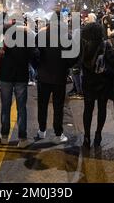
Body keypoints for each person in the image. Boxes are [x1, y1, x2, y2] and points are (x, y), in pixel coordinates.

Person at [36, 12, 77, 144]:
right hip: (59, 76)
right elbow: (73, 56)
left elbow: (34, 53)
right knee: (58, 106)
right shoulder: (67, 36)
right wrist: (66, 66)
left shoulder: (41, 35)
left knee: (42, 105)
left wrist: (38, 67)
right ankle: (58, 134)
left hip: (43, 76)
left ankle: (42, 130)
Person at [0, 23, 38, 148]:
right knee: (21, 108)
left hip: (5, 76)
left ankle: (4, 136)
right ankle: (22, 138)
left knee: (5, 107)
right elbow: (35, 54)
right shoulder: (26, 39)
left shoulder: (3, 39)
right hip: (21, 76)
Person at [80, 16, 114, 148]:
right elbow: (112, 63)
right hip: (103, 82)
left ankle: (86, 137)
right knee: (102, 109)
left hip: (88, 82)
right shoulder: (106, 45)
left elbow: (78, 63)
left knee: (88, 109)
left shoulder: (83, 46)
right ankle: (98, 134)